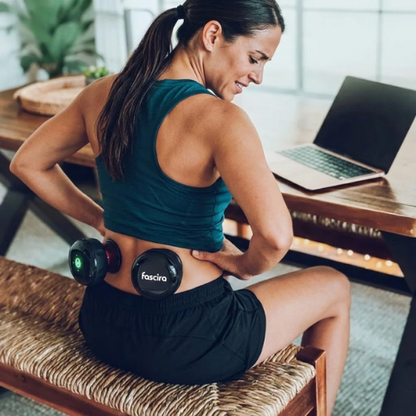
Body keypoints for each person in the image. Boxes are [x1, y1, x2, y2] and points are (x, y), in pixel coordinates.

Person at [10, 0, 350, 413]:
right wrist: (242, 266)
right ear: (212, 36)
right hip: (189, 341)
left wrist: (101, 218)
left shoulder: (101, 93)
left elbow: (28, 163)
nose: (258, 76)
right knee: (335, 286)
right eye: (255, 58)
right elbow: (277, 237)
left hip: (101, 321)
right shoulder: (222, 120)